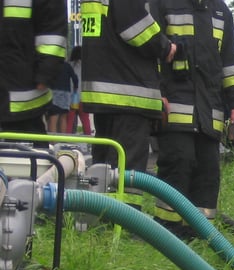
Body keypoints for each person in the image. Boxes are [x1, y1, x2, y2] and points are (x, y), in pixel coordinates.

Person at [149, 0, 234, 238]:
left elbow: (229, 61)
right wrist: (157, 92)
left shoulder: (220, 10)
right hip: (174, 108)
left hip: (209, 111)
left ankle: (201, 234)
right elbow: (151, 53)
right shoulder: (164, 4)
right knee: (178, 164)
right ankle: (167, 232)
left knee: (208, 172)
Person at [80, 0, 178, 213]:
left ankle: (99, 215)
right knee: (128, 167)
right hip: (128, 92)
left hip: (105, 91)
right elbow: (136, 28)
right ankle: (125, 221)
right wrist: (166, 46)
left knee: (105, 162)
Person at [0, 0, 67, 141]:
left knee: (26, 156)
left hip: (23, 95)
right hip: (19, 88)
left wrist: (45, 74)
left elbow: (52, 33)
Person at [45, 60, 77, 134]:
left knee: (53, 118)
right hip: (66, 94)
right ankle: (62, 140)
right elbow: (75, 78)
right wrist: (75, 88)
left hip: (54, 93)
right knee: (63, 118)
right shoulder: (67, 65)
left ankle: (53, 142)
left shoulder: (51, 65)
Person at [66, 46, 92, 136]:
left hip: (73, 96)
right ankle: (88, 139)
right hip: (83, 96)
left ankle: (67, 138)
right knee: (85, 119)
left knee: (70, 119)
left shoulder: (69, 65)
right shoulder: (87, 66)